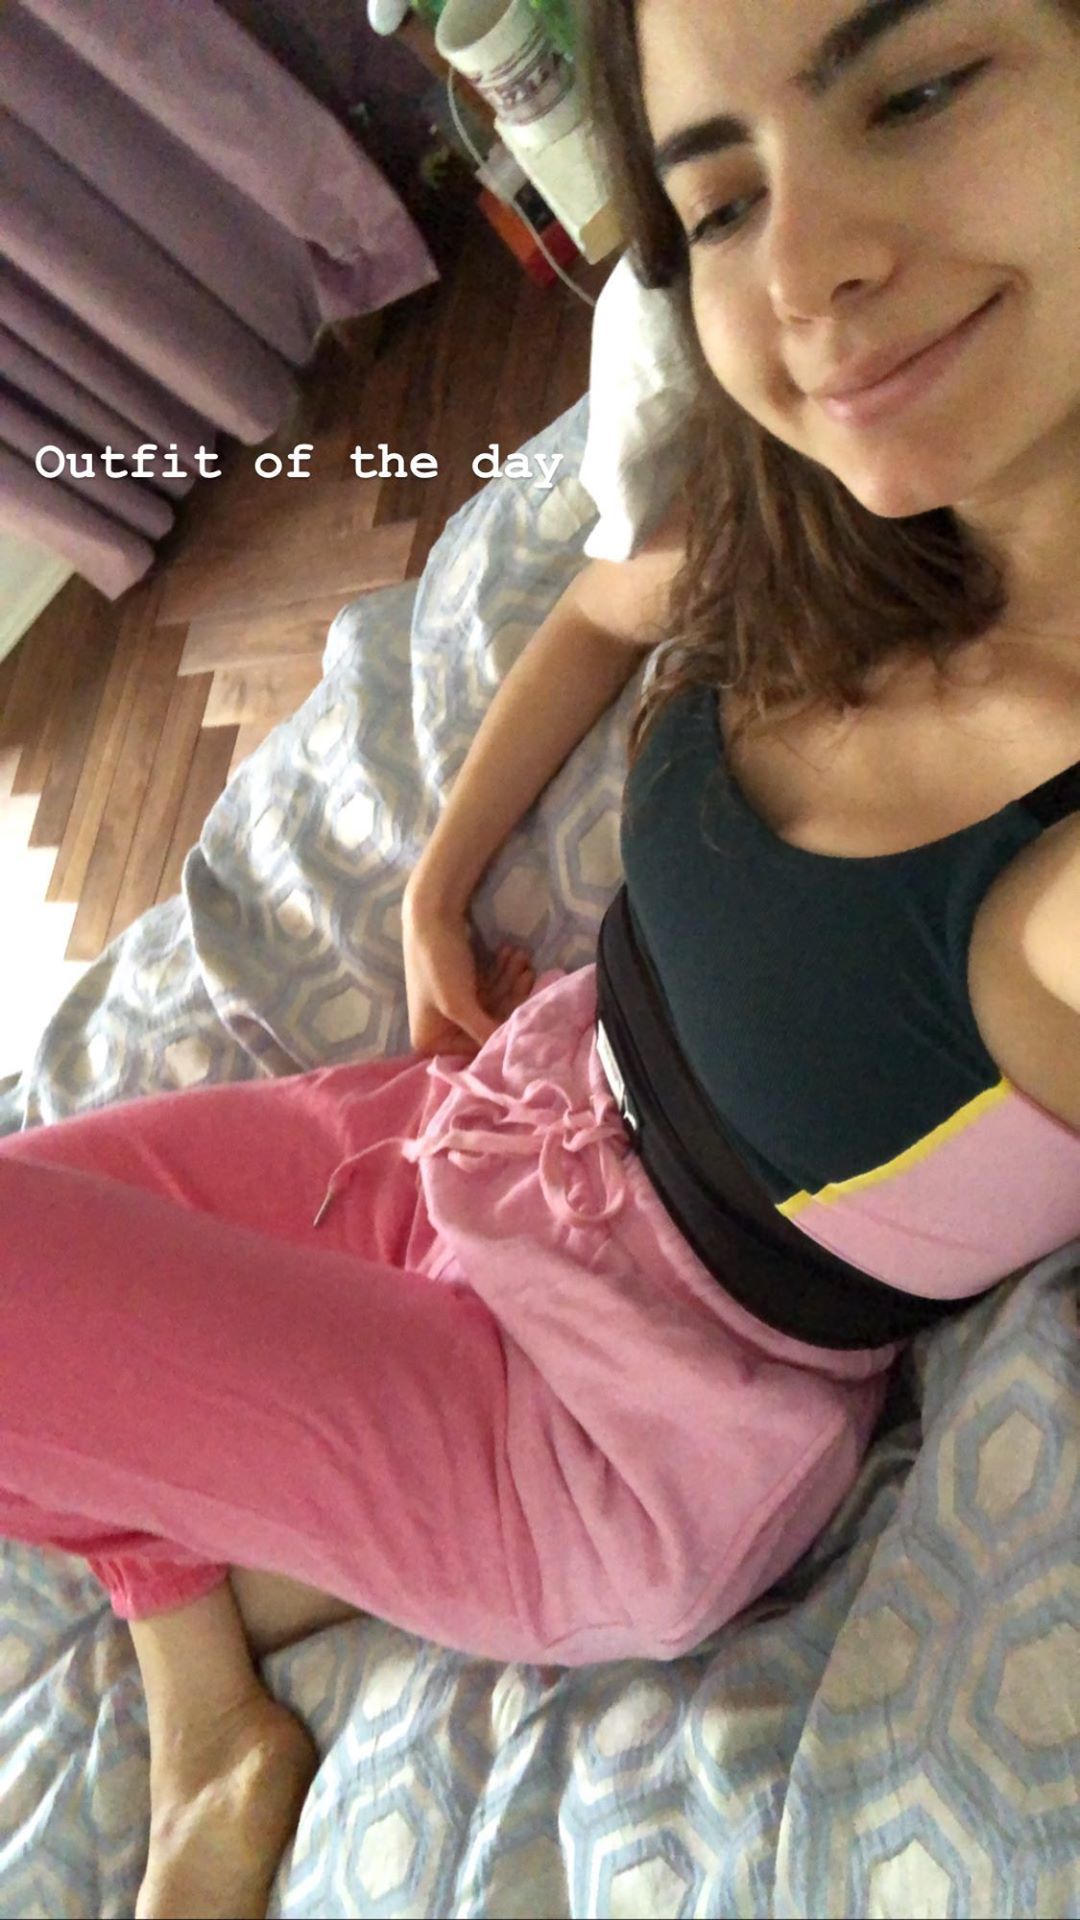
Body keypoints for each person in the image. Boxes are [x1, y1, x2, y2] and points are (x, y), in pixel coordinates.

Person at [2, 0, 1078, 1912]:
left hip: (603, 1431)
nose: (807, 275)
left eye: (917, 91)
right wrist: (438, 882)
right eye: (721, 204)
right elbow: (595, 611)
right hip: (469, 1133)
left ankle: (232, 1596)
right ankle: (210, 1695)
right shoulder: (834, 500)